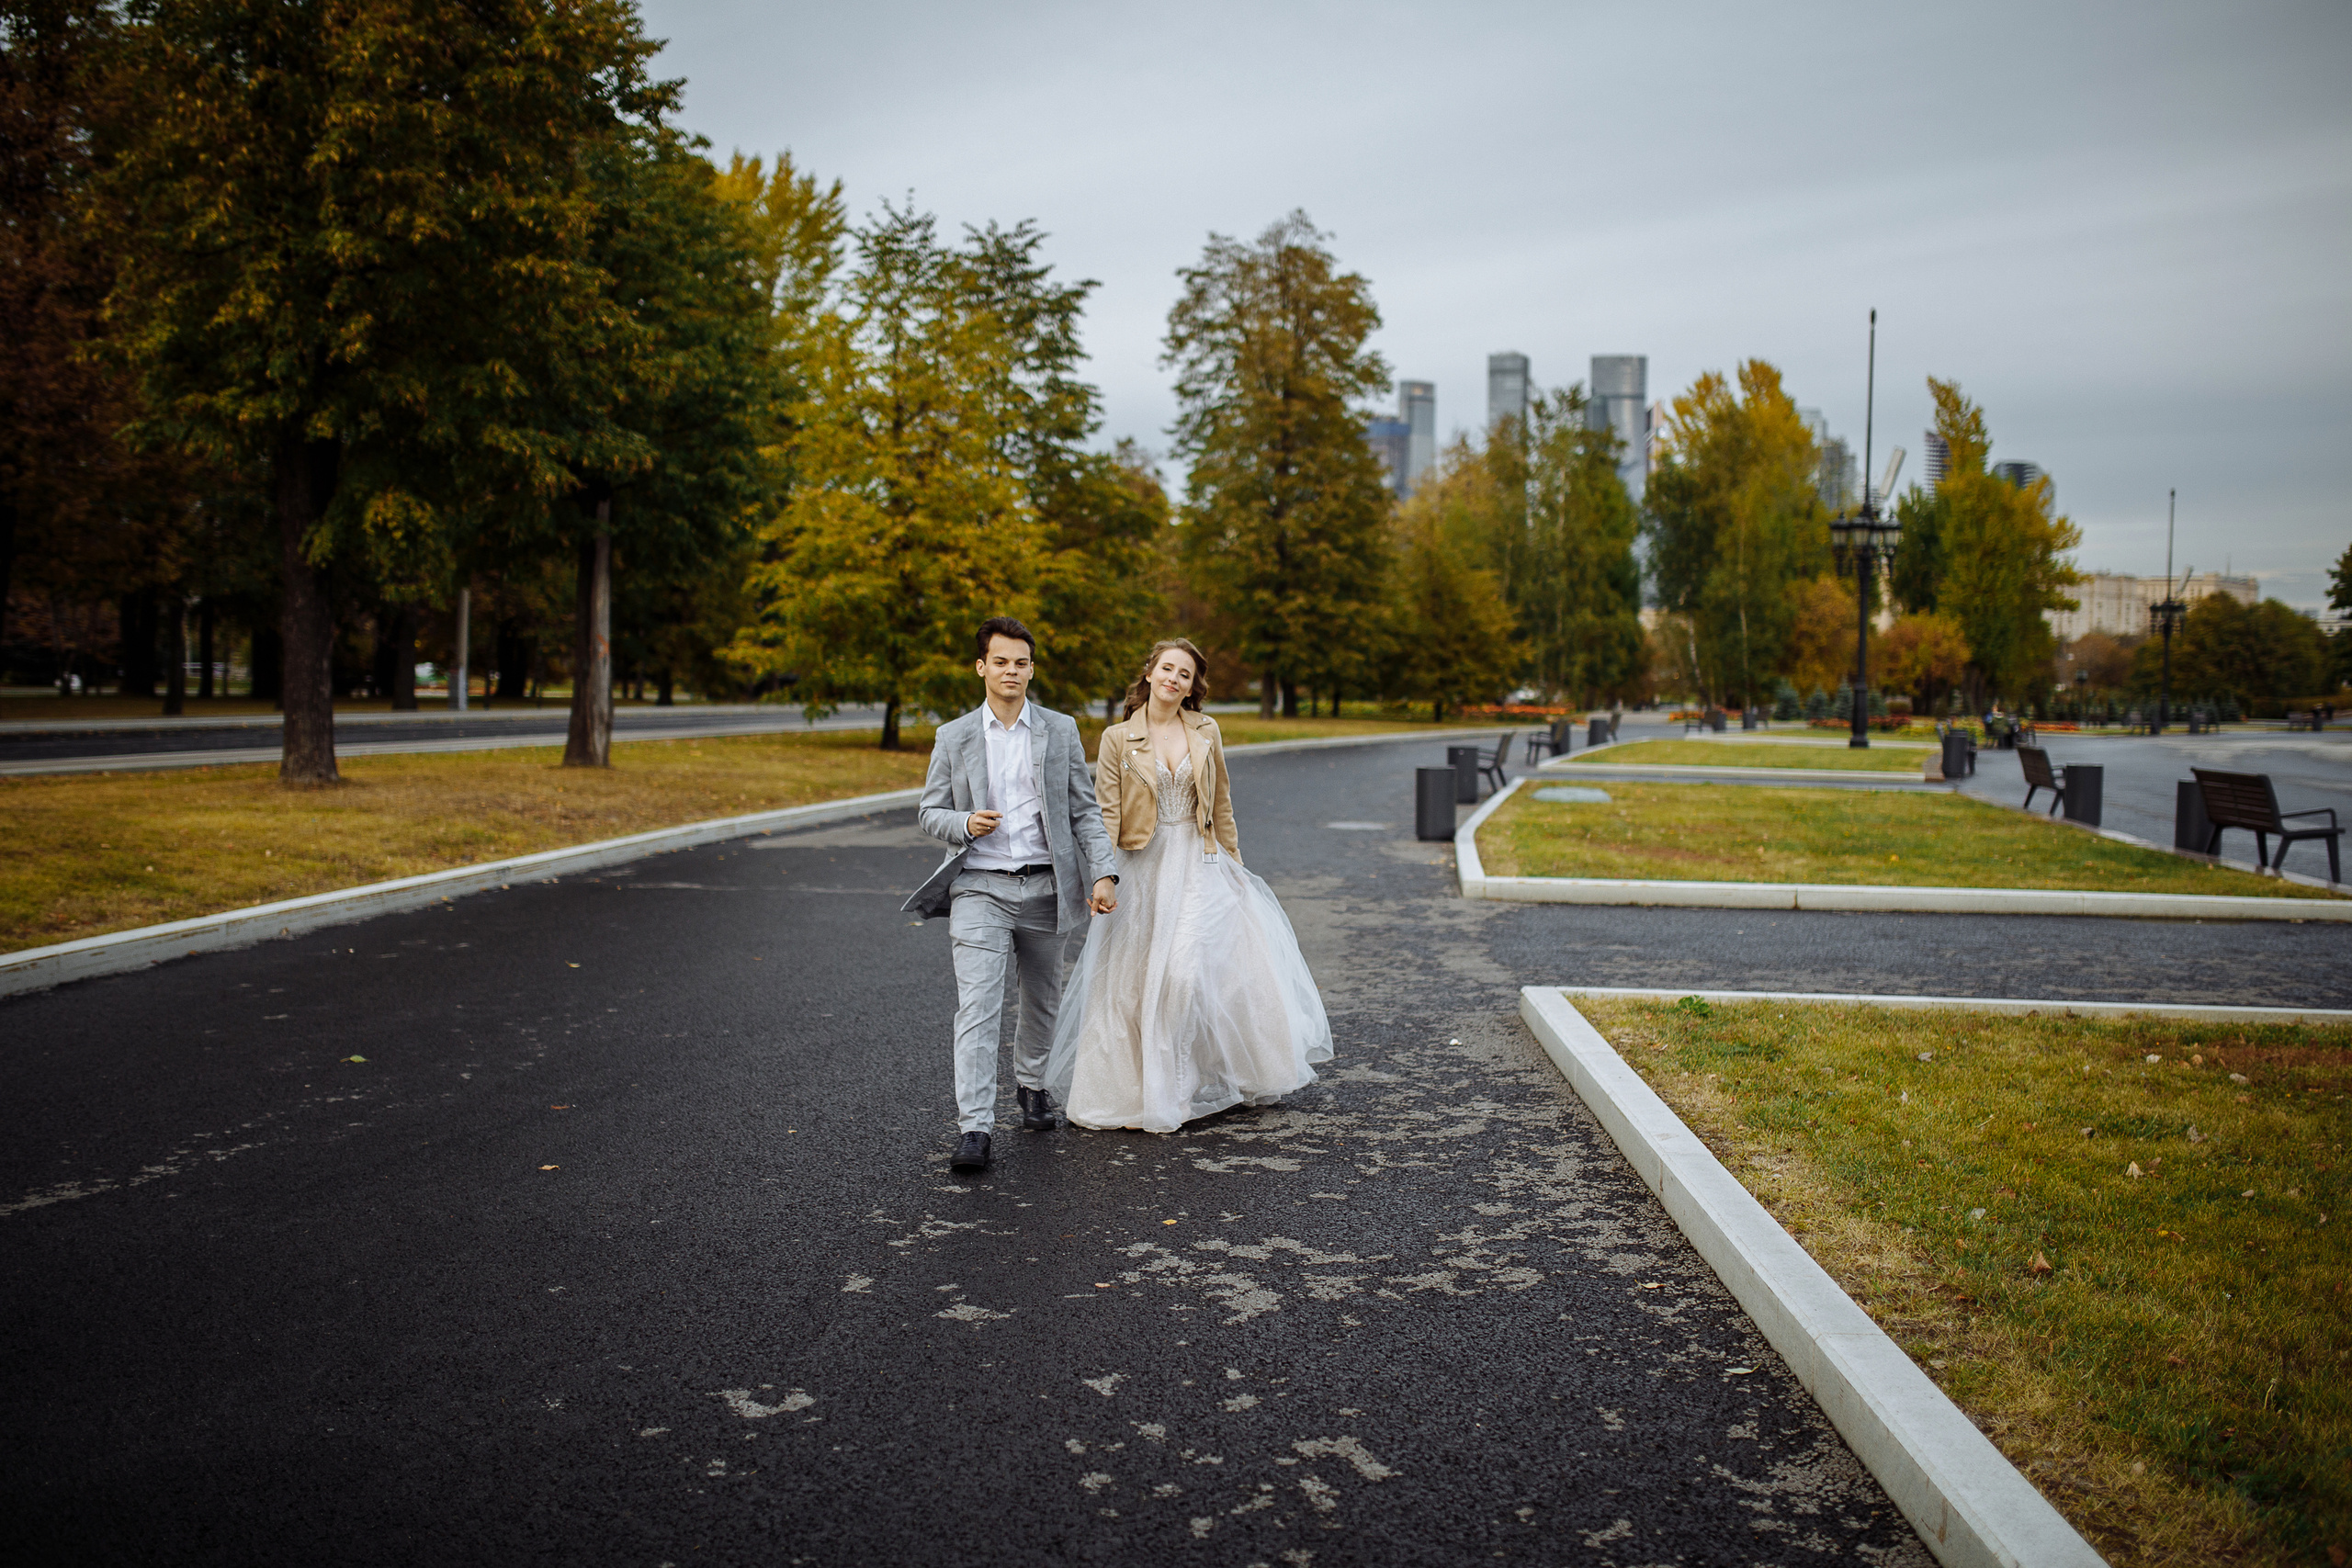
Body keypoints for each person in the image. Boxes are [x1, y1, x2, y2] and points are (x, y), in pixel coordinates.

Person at [1039, 638, 1332, 1132]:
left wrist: (1236, 868)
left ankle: (1183, 1080)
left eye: (1186, 674)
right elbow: (1105, 814)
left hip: (1199, 862)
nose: (1175, 679)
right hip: (1139, 868)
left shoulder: (1205, 730)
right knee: (1131, 983)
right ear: (1150, 672)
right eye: (1167, 668)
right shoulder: (1117, 738)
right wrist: (1103, 875)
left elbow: (1221, 806)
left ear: (1194, 685)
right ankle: (1145, 1090)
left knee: (1182, 973)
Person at [903, 617, 1120, 1174]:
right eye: (1000, 662)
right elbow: (929, 812)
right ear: (982, 667)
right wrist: (965, 822)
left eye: (1021, 663)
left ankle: (1031, 1084)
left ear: (1031, 668)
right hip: (980, 886)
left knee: (1042, 999)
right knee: (977, 1008)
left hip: (1048, 885)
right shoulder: (954, 737)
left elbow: (1083, 810)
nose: (1011, 672)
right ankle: (975, 1126)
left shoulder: (1059, 729)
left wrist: (1103, 873)